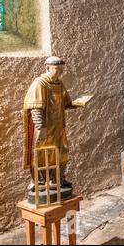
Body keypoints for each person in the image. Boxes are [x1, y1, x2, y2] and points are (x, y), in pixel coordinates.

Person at [23, 56, 80, 191]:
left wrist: (77, 104)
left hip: (58, 128)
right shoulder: (39, 84)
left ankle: (58, 179)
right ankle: (40, 182)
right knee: (42, 155)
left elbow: (65, 103)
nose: (60, 72)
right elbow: (35, 108)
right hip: (45, 128)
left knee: (61, 152)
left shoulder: (59, 84)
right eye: (57, 69)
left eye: (61, 69)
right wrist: (40, 127)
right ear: (47, 68)